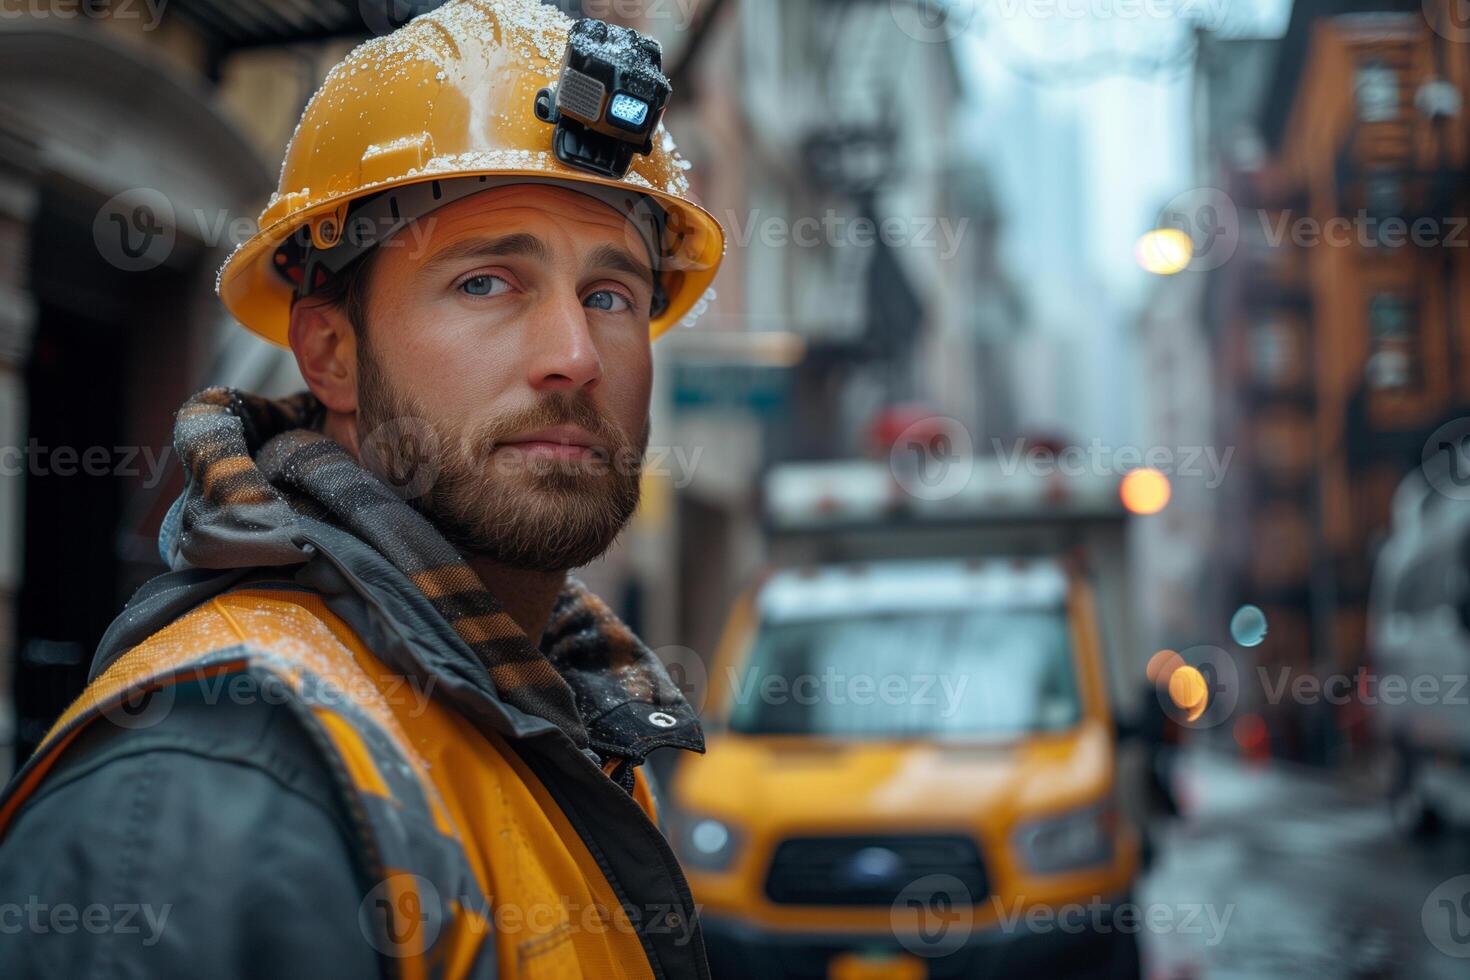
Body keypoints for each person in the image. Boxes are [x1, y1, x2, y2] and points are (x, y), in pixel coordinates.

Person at [0, 2, 726, 977]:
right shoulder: (215, 781)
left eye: (610, 295)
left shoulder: (558, 716)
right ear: (332, 354)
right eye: (487, 281)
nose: (574, 356)